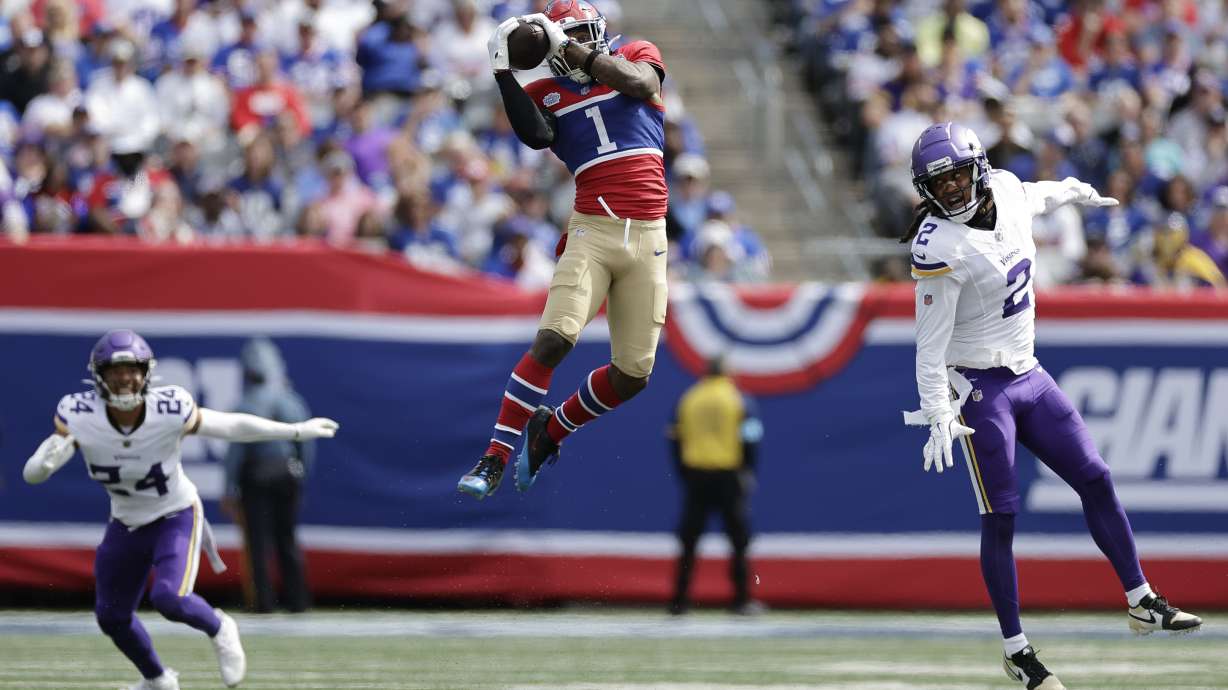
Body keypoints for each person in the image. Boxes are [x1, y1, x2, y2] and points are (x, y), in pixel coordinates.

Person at [901, 122, 1203, 690]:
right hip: (979, 386)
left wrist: (1073, 188)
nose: (952, 193)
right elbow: (930, 341)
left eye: (959, 177)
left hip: (1029, 373)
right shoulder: (938, 244)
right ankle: (1017, 650)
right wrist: (937, 407)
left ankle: (1140, 597)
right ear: (925, 191)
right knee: (1003, 515)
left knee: (1095, 475)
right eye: (939, 186)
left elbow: (1036, 193)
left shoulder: (1008, 192)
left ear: (979, 170)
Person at [23, 330, 340, 690]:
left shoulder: (168, 407)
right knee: (111, 616)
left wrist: (294, 431)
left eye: (132, 370)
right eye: (115, 371)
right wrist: (43, 465)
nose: (125, 379)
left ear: (146, 373)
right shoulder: (78, 413)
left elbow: (229, 425)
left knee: (169, 597)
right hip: (126, 521)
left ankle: (220, 627)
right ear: (98, 375)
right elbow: (32, 474)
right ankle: (157, 679)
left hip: (175, 512)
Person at [458, 0, 669, 498]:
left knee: (634, 374)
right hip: (592, 228)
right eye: (562, 36)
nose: (568, 44)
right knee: (555, 338)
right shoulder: (546, 90)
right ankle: (494, 456)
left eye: (577, 34)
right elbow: (535, 136)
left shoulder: (635, 53)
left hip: (649, 237)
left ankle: (551, 430)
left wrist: (572, 46)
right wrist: (503, 73)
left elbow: (642, 84)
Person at [222, 338, 316, 614]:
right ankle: (298, 600)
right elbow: (306, 445)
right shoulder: (291, 400)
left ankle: (263, 602)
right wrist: (301, 478)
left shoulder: (246, 404)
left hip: (257, 477)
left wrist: (230, 488)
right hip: (288, 474)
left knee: (258, 541)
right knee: (287, 539)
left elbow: (235, 452)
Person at [666, 357, 763, 616]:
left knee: (689, 541)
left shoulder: (689, 398)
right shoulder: (739, 400)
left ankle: (679, 601)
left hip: (696, 475)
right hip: (729, 476)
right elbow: (751, 437)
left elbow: (674, 438)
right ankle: (741, 600)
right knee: (738, 540)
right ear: (729, 373)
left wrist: (683, 472)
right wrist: (748, 471)